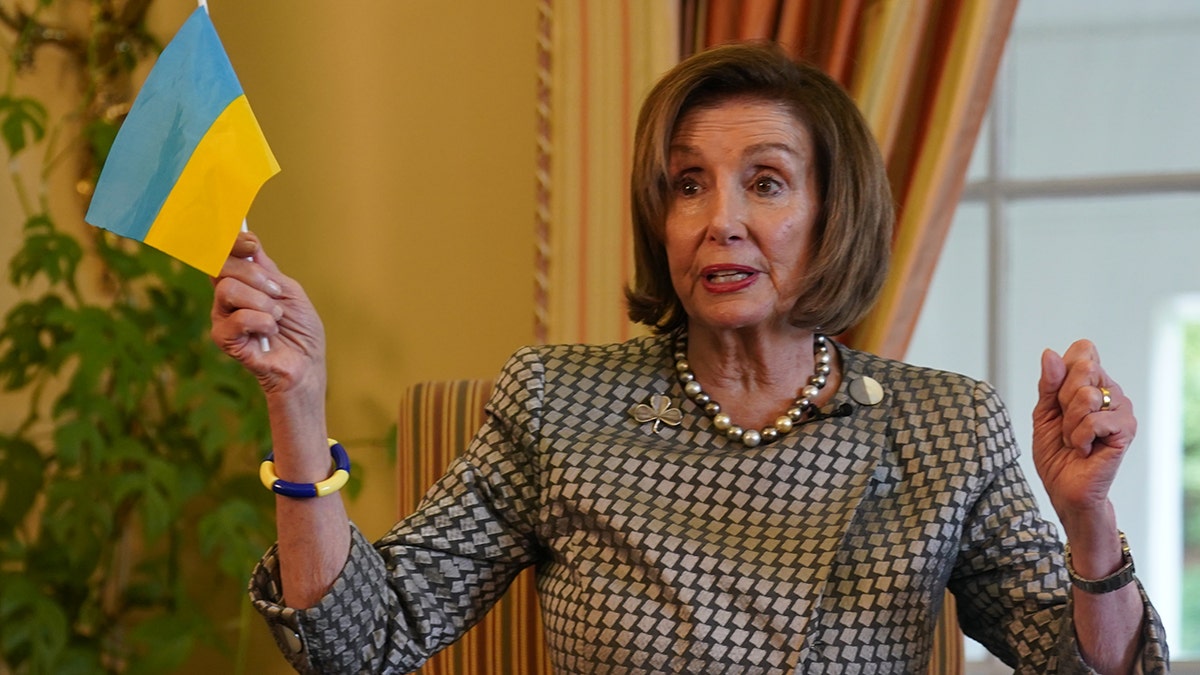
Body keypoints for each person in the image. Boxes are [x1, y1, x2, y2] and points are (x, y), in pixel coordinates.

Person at [211, 42, 1168, 673]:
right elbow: (361, 642)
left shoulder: (943, 424)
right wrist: (298, 407)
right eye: (688, 186)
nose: (722, 223)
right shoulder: (556, 404)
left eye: (765, 182)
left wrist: (1088, 518)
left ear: (835, 212)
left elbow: (1094, 669)